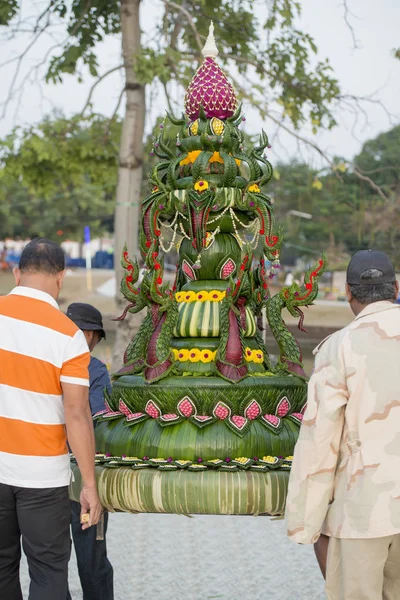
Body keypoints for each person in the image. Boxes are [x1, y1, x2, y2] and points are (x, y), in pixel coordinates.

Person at [286, 249, 400, 599]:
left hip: (364, 512)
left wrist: (305, 521)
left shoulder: (340, 347)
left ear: (349, 293)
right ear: (395, 288)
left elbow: (320, 441)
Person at [0, 238, 102, 600]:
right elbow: (77, 414)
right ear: (60, 278)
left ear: (16, 273)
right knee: (47, 573)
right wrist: (89, 484)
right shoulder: (69, 336)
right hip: (43, 478)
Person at [66, 303, 114, 600]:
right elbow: (95, 419)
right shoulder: (95, 371)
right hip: (83, 479)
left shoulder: (48, 363)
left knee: (50, 563)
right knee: (91, 561)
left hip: (47, 477)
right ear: (90, 336)